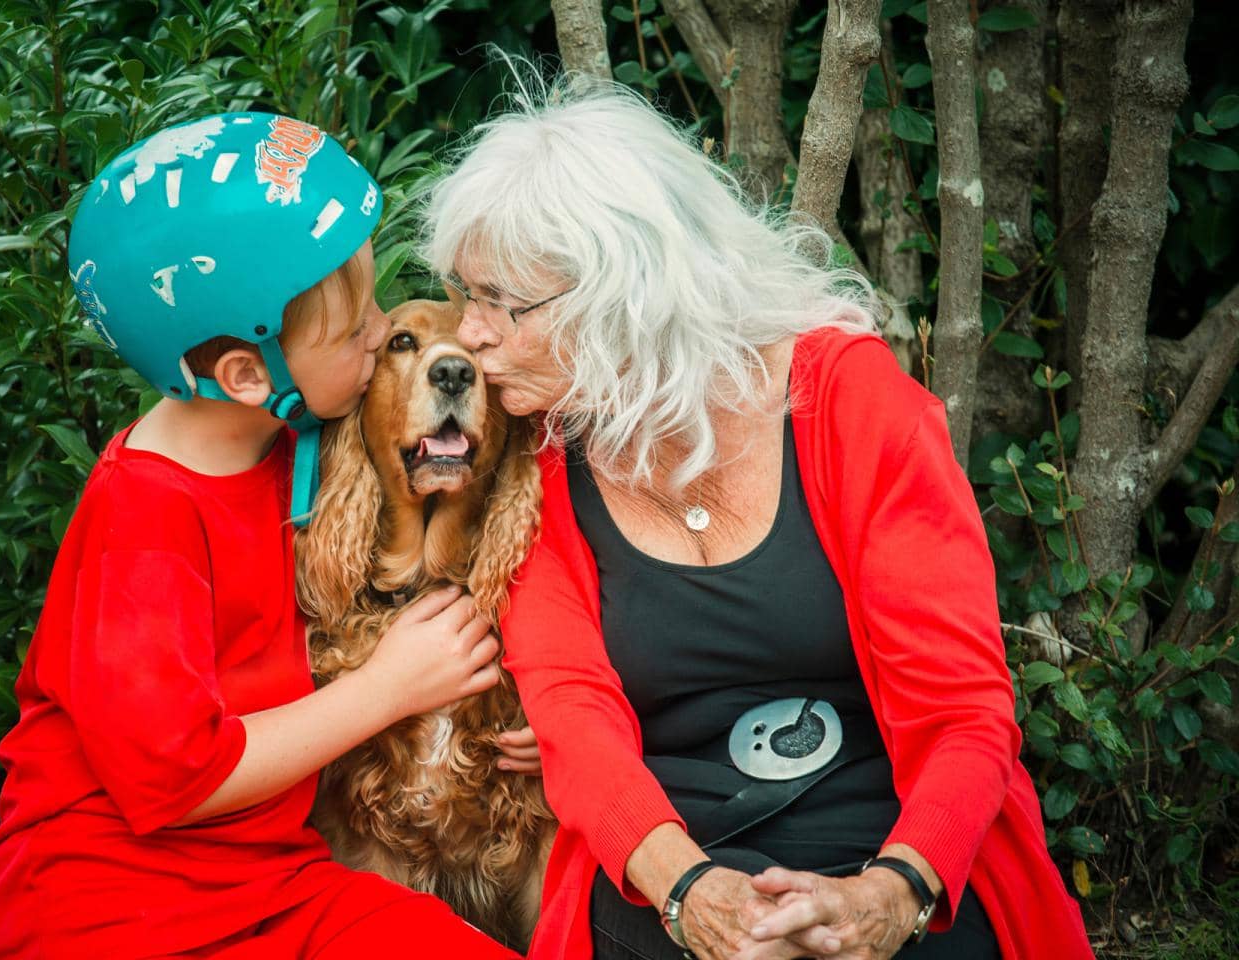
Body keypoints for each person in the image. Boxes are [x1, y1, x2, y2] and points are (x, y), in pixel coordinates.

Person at [421, 78, 1094, 960]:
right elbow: (574, 717)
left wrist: (888, 898)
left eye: (498, 304)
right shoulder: (538, 453)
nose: (467, 333)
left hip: (898, 839)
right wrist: (691, 892)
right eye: (461, 294)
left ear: (624, 293)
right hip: (663, 855)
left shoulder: (850, 403)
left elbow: (963, 711)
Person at [0, 112, 522, 959]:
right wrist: (388, 688)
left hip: (274, 879)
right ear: (245, 375)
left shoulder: (289, 436)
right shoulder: (144, 518)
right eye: (355, 329)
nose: (382, 331)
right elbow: (179, 784)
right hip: (113, 903)